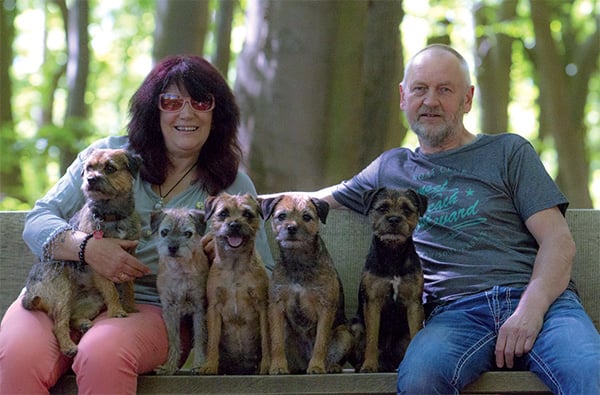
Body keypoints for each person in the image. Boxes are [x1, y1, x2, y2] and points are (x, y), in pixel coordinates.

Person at [267, 44, 600, 394]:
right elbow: (309, 199)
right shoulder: (390, 167)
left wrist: (532, 308)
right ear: (402, 96)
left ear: (467, 99)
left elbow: (558, 240)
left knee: (591, 373)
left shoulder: (509, 152)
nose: (430, 101)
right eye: (420, 89)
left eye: (445, 89)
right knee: (421, 379)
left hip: (541, 305)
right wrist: (220, 195)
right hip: (456, 314)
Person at [0, 55, 274, 394]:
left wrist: (224, 256)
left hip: (154, 306)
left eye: (200, 102)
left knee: (103, 354)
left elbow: (268, 273)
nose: (186, 113)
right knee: (19, 354)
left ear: (217, 115)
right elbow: (37, 220)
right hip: (65, 292)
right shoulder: (105, 157)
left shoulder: (231, 185)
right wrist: (87, 249)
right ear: (153, 109)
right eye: (171, 101)